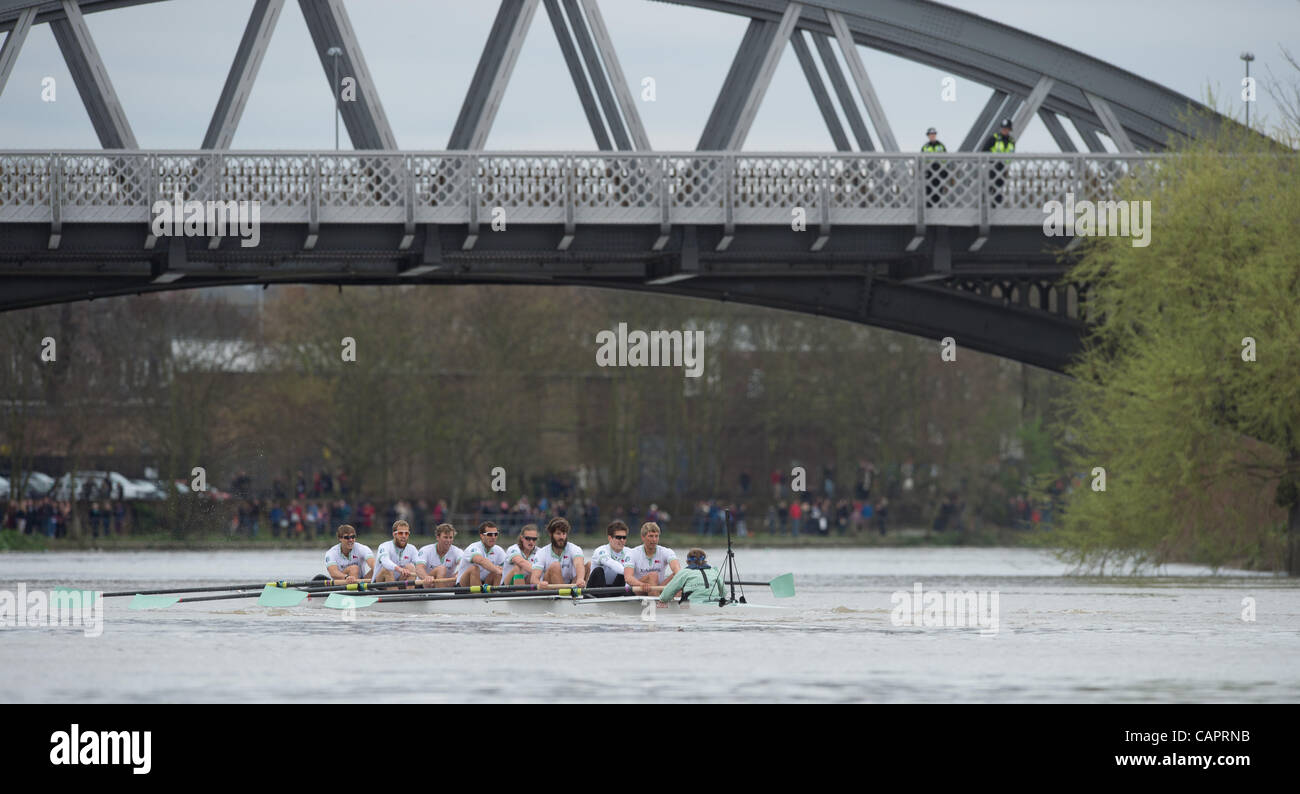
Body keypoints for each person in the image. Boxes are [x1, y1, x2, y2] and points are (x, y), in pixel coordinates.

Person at [657, 548, 725, 606]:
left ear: (688, 561)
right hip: (716, 603)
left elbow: (665, 596)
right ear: (704, 560)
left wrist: (662, 600)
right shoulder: (714, 571)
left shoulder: (684, 573)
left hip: (693, 604)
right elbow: (724, 592)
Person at [624, 521, 679, 592]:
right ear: (643, 537)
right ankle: (659, 600)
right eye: (651, 536)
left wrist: (680, 576)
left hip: (657, 587)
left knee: (679, 575)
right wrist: (641, 584)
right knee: (653, 576)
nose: (654, 540)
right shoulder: (632, 553)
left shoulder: (666, 551)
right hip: (638, 589)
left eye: (656, 536)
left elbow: (676, 568)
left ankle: (665, 599)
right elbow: (628, 578)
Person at [373, 519, 429, 588]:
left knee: (411, 567)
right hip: (380, 584)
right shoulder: (384, 546)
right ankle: (395, 595)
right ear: (394, 534)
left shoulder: (412, 548)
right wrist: (400, 569)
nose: (404, 536)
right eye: (400, 533)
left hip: (399, 581)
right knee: (387, 570)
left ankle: (409, 596)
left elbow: (419, 565)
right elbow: (385, 561)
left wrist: (427, 577)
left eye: (406, 533)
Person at [535, 517, 585, 588]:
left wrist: (580, 579)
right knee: (555, 566)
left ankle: (577, 593)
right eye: (558, 534)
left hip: (571, 585)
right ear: (551, 534)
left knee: (588, 566)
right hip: (549, 587)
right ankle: (567, 595)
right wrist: (539, 583)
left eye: (564, 534)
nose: (561, 537)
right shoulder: (541, 552)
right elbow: (534, 579)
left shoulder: (575, 549)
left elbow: (579, 564)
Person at [455, 521, 508, 586]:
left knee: (498, 571)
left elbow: (508, 567)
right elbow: (481, 561)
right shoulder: (473, 547)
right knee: (474, 569)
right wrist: (497, 570)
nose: (493, 537)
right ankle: (480, 595)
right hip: (464, 585)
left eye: (496, 534)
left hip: (483, 584)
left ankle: (496, 594)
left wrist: (500, 570)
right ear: (482, 536)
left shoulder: (498, 550)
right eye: (490, 534)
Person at [586, 520, 632, 589]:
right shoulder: (601, 551)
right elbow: (612, 564)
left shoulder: (630, 552)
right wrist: (629, 574)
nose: (622, 540)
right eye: (618, 537)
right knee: (599, 571)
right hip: (596, 589)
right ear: (610, 538)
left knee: (624, 574)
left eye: (624, 537)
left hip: (615, 589)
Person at [982, 118, 1016, 207]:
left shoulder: (1011, 141)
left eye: (1007, 128)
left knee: (999, 190)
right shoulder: (994, 138)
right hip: (992, 167)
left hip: (1003, 168)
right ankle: (988, 209)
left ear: (1009, 129)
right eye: (1003, 128)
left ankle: (995, 209)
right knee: (990, 189)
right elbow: (984, 151)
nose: (1005, 130)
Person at [418, 523, 463, 587]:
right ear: (437, 537)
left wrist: (457, 575)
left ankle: (441, 592)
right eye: (445, 537)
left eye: (450, 538)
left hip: (446, 584)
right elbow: (419, 568)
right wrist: (426, 577)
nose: (448, 540)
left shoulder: (457, 551)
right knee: (441, 569)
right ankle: (442, 594)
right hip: (427, 584)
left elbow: (464, 565)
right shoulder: (425, 550)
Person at [921, 127, 949, 207]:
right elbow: (921, 161)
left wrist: (945, 172)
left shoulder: (941, 146)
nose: (932, 136)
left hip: (939, 172)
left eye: (933, 134)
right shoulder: (925, 147)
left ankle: (937, 210)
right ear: (928, 136)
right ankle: (928, 211)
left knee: (938, 193)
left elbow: (945, 159)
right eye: (930, 134)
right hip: (929, 173)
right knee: (928, 193)